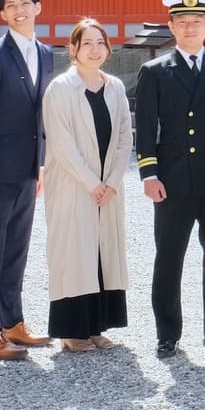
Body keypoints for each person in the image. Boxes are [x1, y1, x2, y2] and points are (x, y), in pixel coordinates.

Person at [135, 0, 205, 358]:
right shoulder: (154, 71)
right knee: (169, 257)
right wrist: (149, 175)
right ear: (171, 27)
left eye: (197, 22)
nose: (190, 27)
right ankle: (168, 332)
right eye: (182, 22)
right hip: (174, 179)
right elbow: (146, 127)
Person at [0, 0, 53, 360]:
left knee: (17, 251)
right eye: (11, 6)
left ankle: (13, 322)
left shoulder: (47, 53)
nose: (19, 11)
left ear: (38, 6)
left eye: (25, 3)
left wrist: (41, 167)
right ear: (2, 13)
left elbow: (41, 116)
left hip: (28, 171)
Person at [42, 18, 132, 353]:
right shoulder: (60, 89)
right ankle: (71, 330)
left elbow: (125, 138)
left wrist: (112, 182)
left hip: (108, 187)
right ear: (73, 50)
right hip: (73, 185)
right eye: (86, 43)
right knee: (73, 253)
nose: (94, 50)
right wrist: (93, 183)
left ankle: (95, 326)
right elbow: (62, 145)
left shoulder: (115, 88)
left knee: (102, 252)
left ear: (108, 49)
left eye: (100, 43)